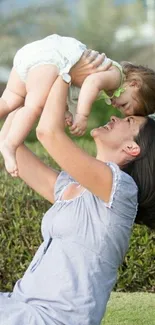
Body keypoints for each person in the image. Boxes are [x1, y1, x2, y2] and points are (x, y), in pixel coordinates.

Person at [0, 53, 155, 325]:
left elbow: (48, 133)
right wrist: (31, 90)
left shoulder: (121, 191)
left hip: (52, 319)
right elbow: (12, 145)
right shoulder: (73, 189)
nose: (115, 118)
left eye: (127, 122)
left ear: (132, 148)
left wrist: (66, 65)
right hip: (19, 305)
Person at [1, 34, 155, 177]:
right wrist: (81, 115)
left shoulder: (109, 87)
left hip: (37, 55)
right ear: (135, 84)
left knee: (9, 101)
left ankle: (6, 140)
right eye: (125, 105)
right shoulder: (116, 77)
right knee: (33, 107)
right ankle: (10, 144)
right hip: (52, 61)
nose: (118, 108)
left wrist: (66, 111)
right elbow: (90, 83)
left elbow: (70, 89)